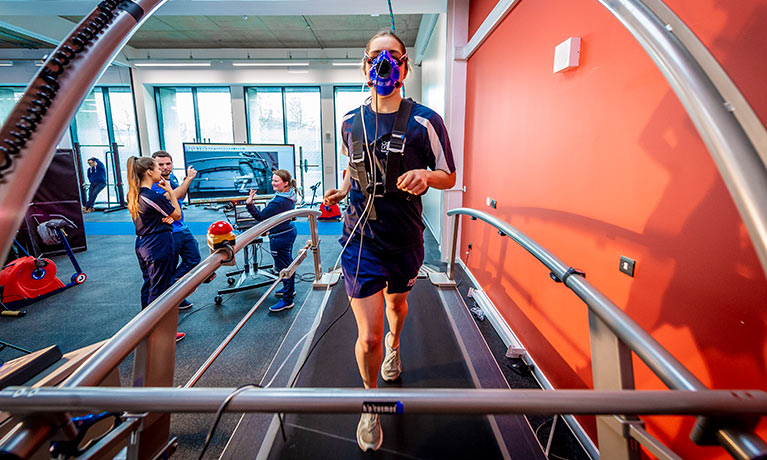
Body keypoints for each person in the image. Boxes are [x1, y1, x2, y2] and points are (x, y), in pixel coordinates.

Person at [323, 29, 456, 452]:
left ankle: (396, 347)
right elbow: (352, 166)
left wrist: (427, 176)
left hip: (404, 238)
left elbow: (451, 174)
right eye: (375, 55)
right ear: (365, 66)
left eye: (392, 55)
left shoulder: (426, 120)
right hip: (360, 239)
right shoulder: (349, 120)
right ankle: (371, 403)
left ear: (405, 65)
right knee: (367, 337)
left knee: (397, 307)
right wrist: (344, 189)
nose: (383, 62)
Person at [126, 156, 186, 343]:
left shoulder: (136, 194)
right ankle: (157, 332)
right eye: (157, 168)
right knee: (159, 289)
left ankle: (145, 327)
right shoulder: (151, 195)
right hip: (157, 245)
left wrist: (163, 217)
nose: (162, 170)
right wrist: (171, 192)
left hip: (145, 243)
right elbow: (176, 215)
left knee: (150, 285)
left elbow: (158, 216)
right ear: (149, 172)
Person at [151, 150, 201, 310]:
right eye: (161, 165)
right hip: (168, 231)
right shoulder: (154, 183)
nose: (165, 167)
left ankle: (174, 291)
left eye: (168, 163)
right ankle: (170, 298)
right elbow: (174, 196)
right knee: (168, 268)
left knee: (194, 260)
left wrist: (184, 183)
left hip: (181, 227)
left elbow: (181, 196)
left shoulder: (171, 178)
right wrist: (188, 180)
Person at [245, 169, 298, 312]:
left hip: (280, 236)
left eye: (276, 181)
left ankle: (287, 300)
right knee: (287, 262)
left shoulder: (279, 201)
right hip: (288, 231)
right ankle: (289, 289)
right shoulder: (290, 193)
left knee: (284, 267)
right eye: (272, 180)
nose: (273, 183)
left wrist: (250, 203)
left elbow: (261, 217)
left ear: (285, 183)